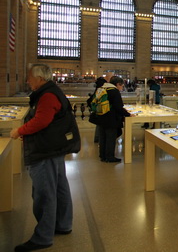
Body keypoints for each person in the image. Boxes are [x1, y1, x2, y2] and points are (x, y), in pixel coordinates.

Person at [10, 64, 81, 252]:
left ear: (40, 78)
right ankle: (63, 224)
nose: (27, 81)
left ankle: (43, 237)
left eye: (30, 78)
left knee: (44, 193)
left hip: (45, 149)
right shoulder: (51, 91)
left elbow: (42, 121)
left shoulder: (47, 95)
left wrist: (19, 130)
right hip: (53, 147)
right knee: (59, 187)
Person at [96, 76, 131, 162]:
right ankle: (110, 157)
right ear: (118, 84)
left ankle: (103, 156)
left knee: (103, 137)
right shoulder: (114, 91)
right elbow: (118, 107)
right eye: (122, 86)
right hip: (111, 118)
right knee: (110, 138)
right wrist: (128, 114)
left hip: (101, 117)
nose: (122, 88)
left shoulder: (102, 88)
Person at [87, 76, 106, 143]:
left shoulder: (97, 89)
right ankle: (98, 138)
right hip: (101, 109)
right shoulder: (102, 89)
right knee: (100, 124)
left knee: (99, 124)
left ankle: (97, 138)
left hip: (97, 109)